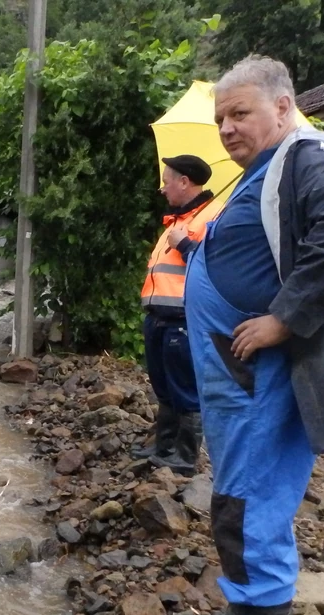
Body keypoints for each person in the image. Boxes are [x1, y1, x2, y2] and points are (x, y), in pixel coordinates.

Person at [169, 55, 324, 615]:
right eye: (221, 118)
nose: (227, 128)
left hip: (260, 380)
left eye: (240, 113)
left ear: (284, 107)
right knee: (242, 504)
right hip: (238, 381)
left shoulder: (311, 156)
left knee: (247, 512)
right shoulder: (268, 168)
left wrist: (285, 319)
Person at [133, 155, 219, 476]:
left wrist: (184, 245)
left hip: (183, 319)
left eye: (166, 182)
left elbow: (218, 264)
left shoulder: (213, 215)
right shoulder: (175, 221)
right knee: (164, 388)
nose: (162, 189)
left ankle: (184, 457)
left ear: (184, 182)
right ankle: (163, 447)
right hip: (158, 318)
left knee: (185, 390)